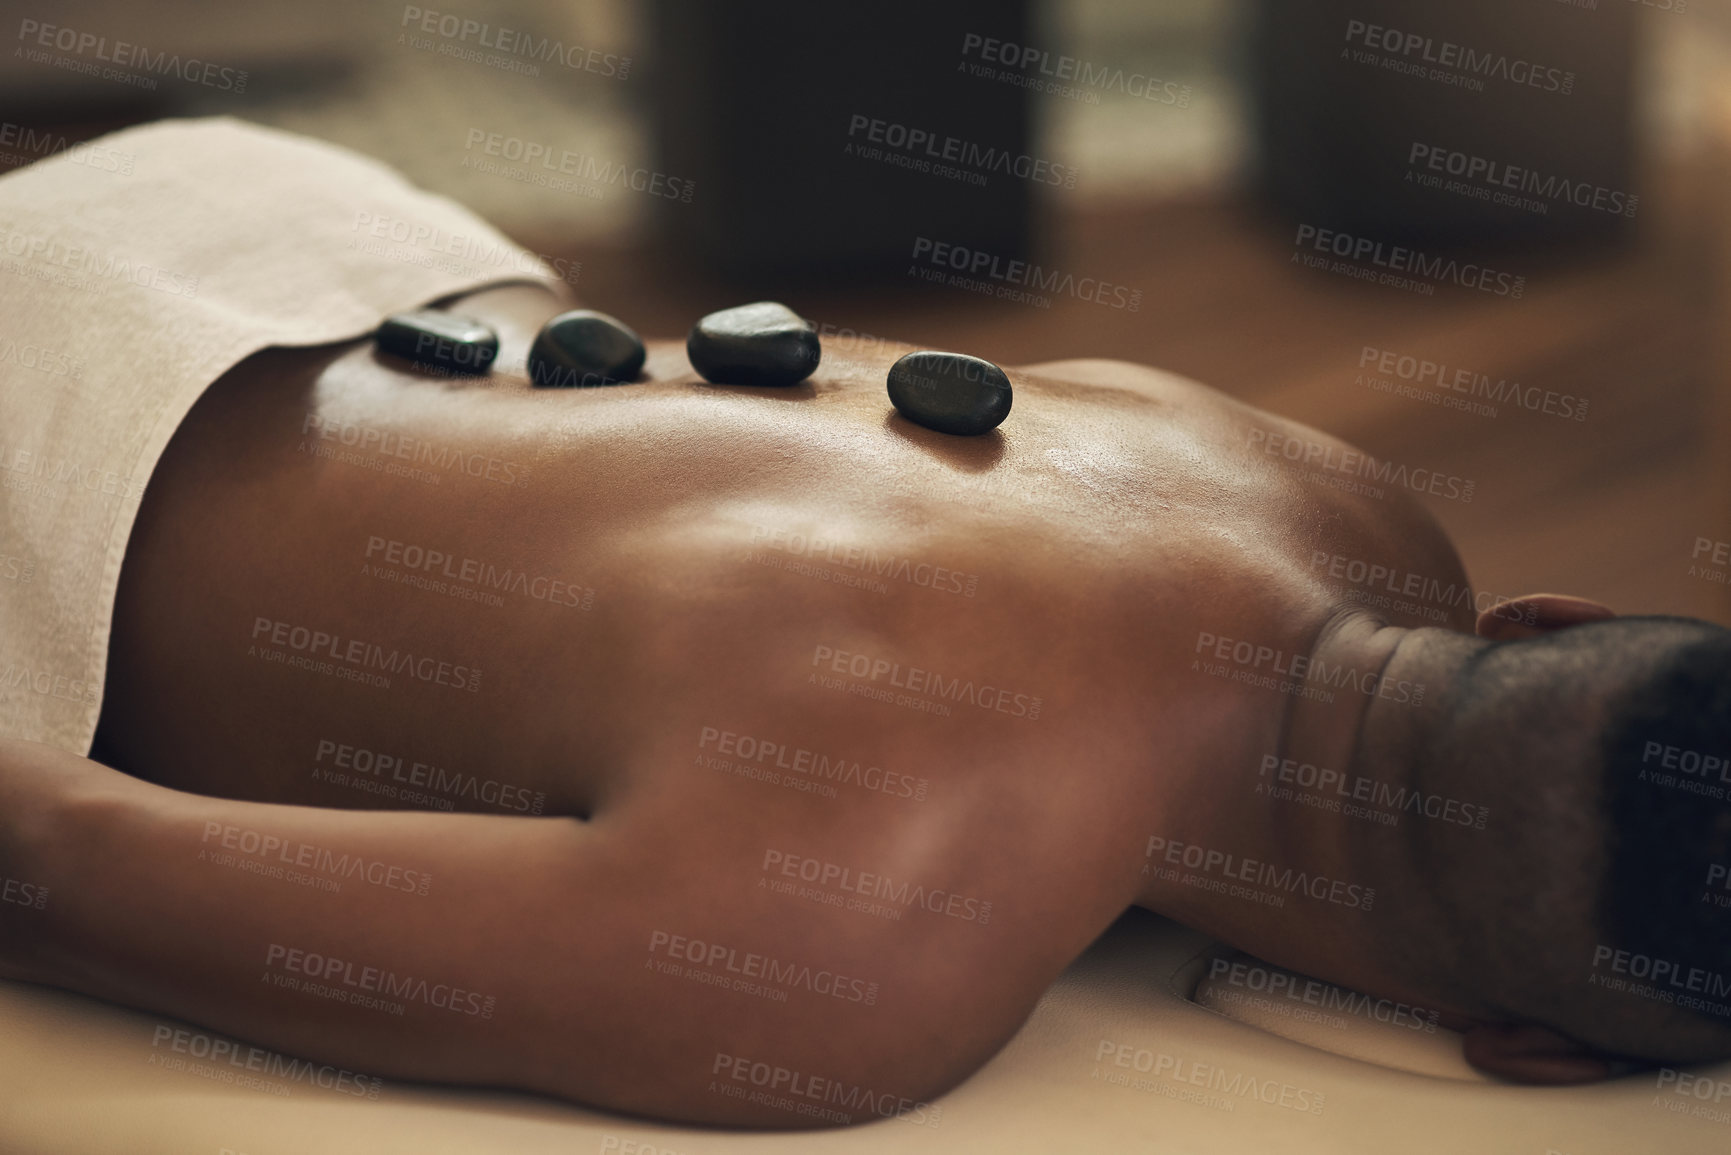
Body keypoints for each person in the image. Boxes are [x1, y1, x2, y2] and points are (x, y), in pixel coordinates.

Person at [2, 124, 1728, 1131]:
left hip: (277, 215)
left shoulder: (1347, 503)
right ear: (1541, 1053)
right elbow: (52, 864)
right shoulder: (858, 962)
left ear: (1535, 618)